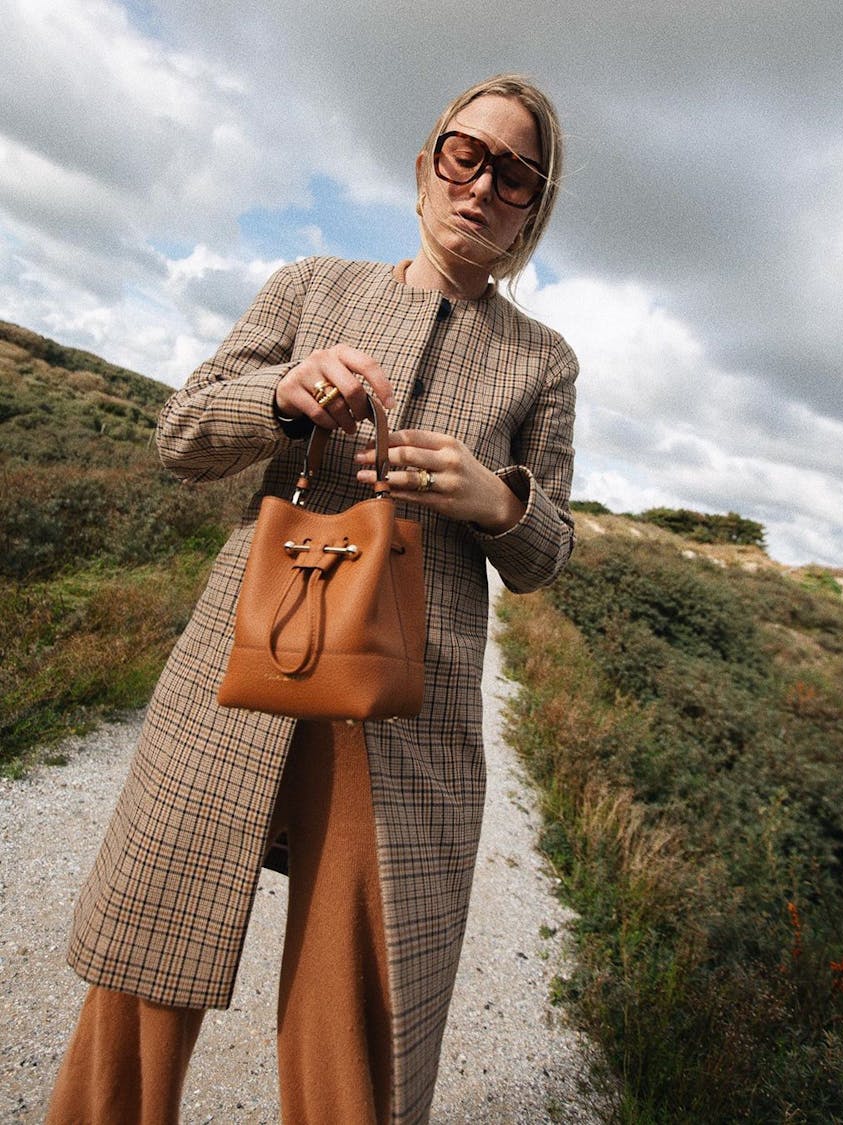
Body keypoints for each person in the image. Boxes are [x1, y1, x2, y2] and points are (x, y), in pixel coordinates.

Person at [47, 73, 578, 1124]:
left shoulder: (543, 363)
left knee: (363, 1004)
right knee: (153, 949)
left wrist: (492, 497)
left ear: (534, 206)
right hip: (241, 662)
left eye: (515, 174)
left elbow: (547, 551)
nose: (482, 185)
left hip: (403, 702)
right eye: (466, 155)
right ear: (427, 165)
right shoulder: (311, 284)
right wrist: (283, 400)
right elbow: (183, 433)